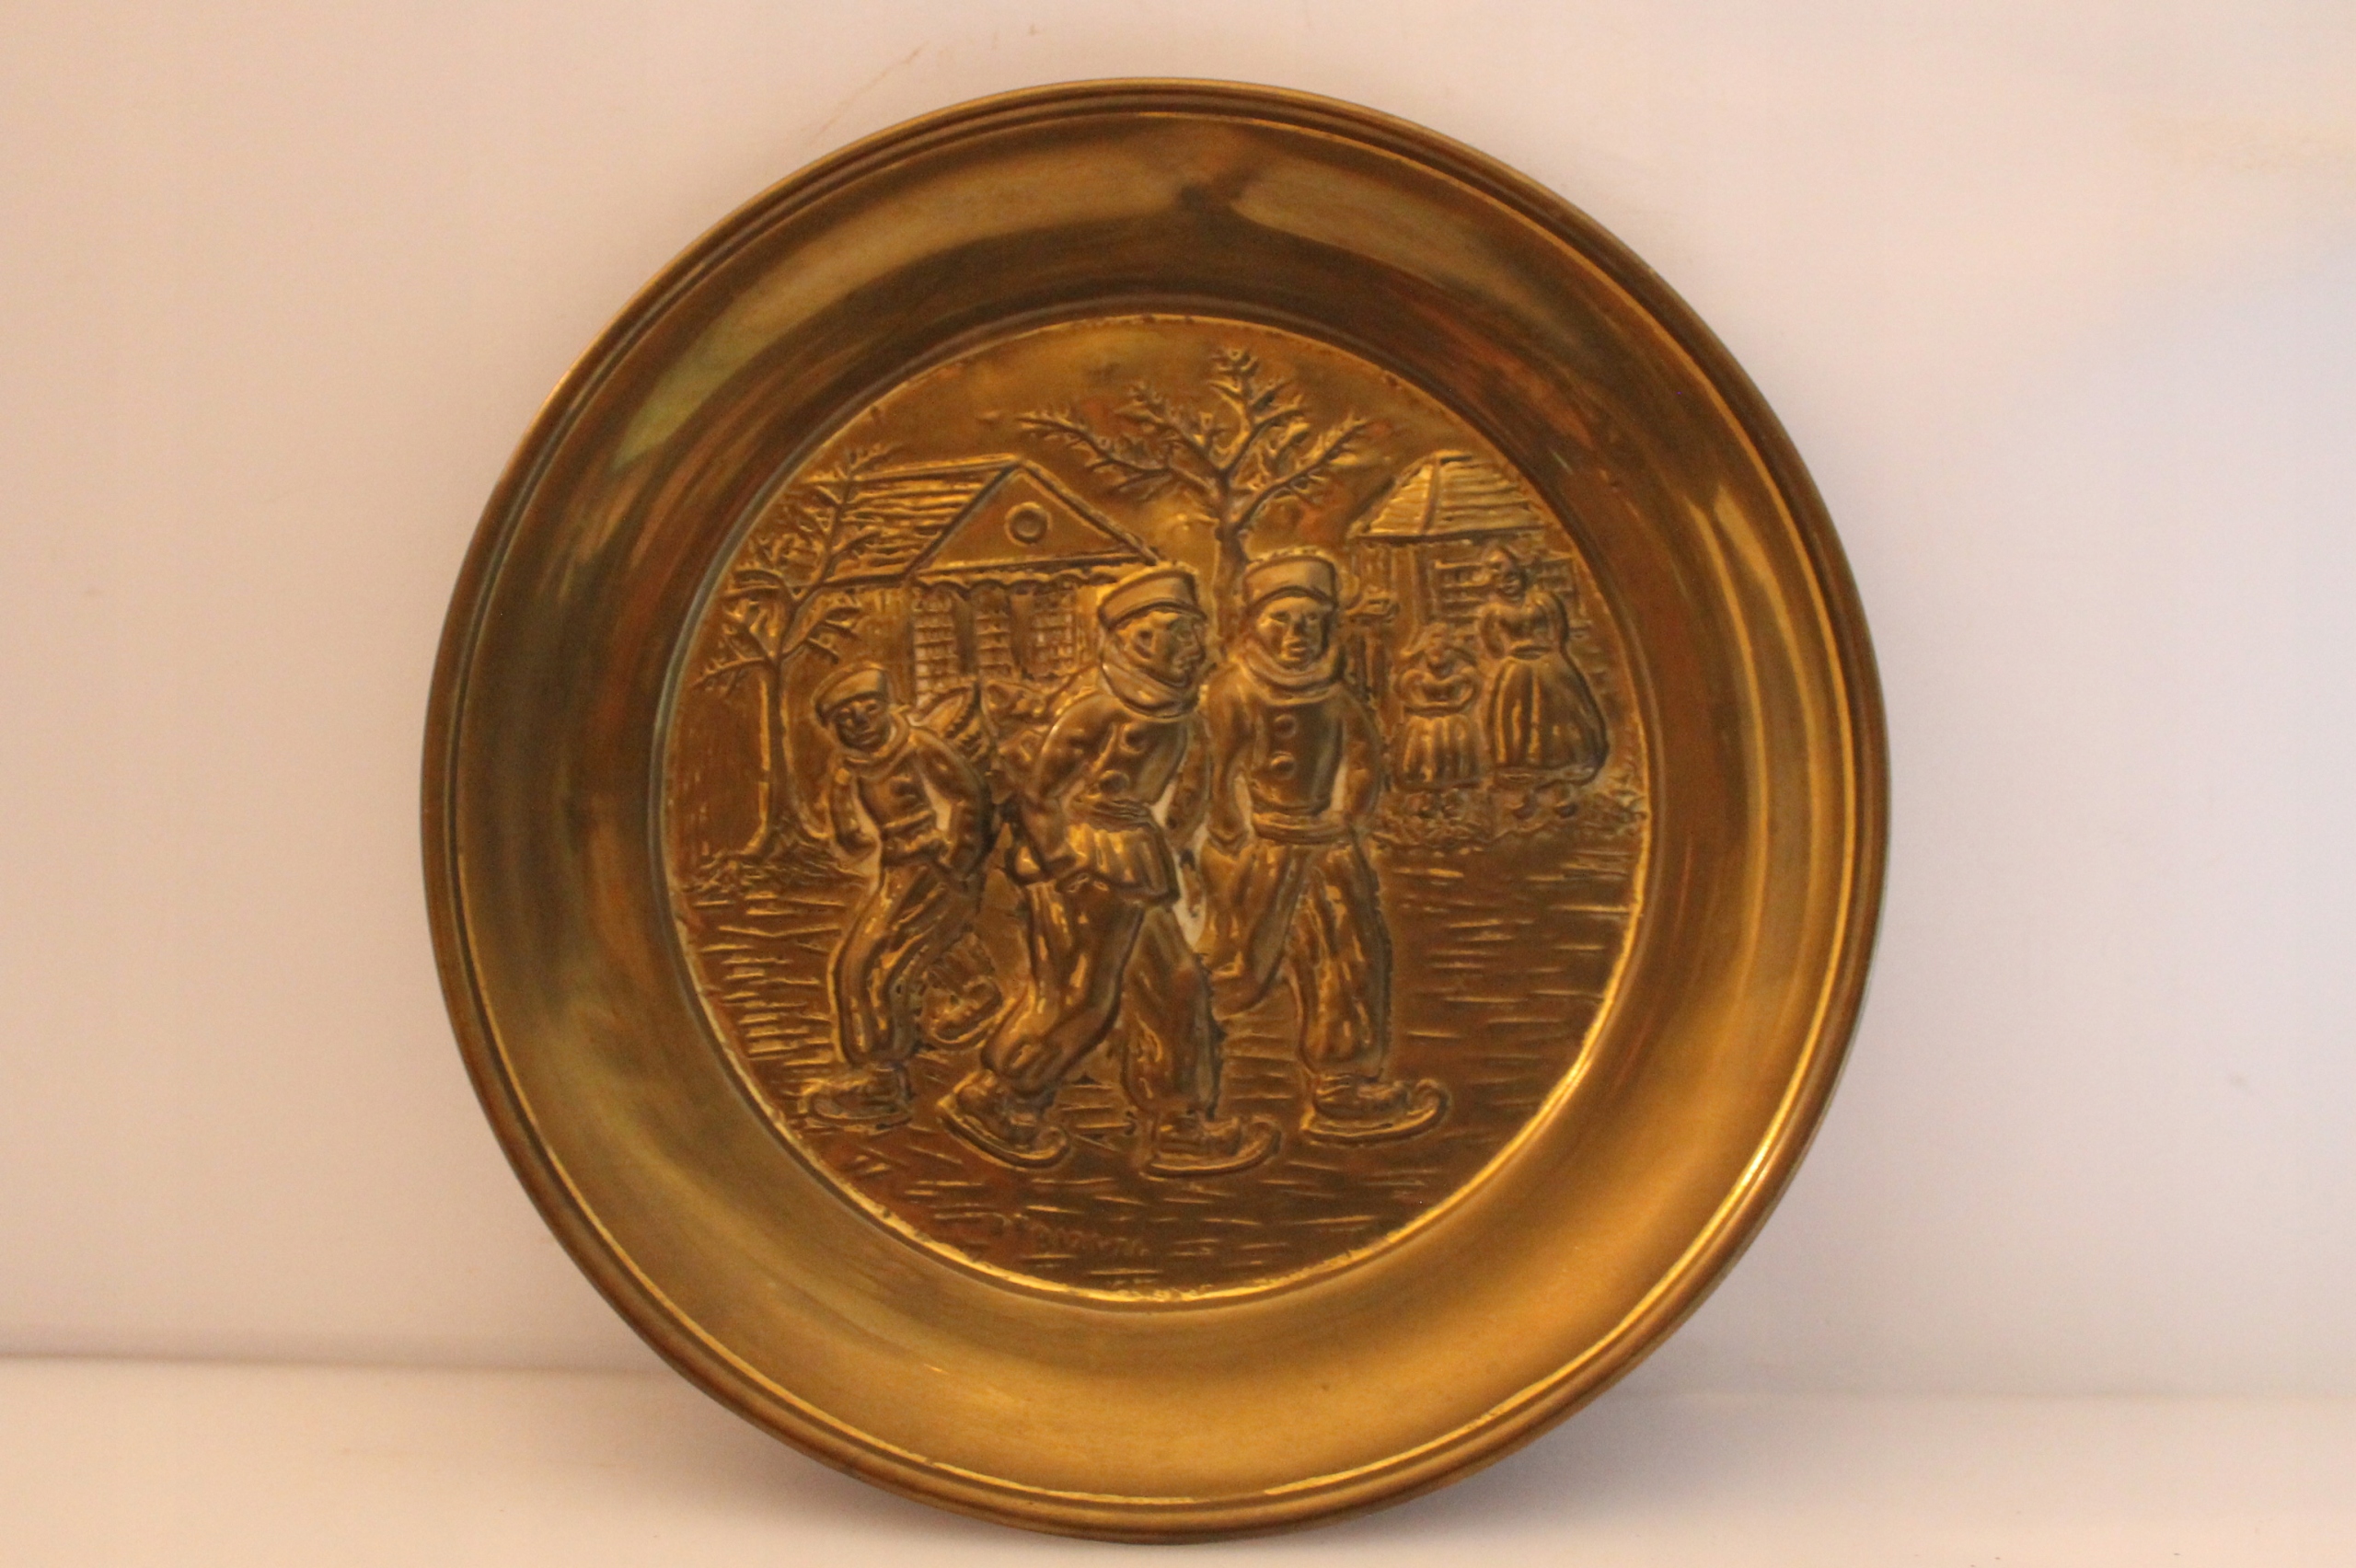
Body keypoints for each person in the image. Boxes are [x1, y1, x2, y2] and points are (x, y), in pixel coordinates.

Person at [940, 565, 1279, 1178]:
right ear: (1139, 640)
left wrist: (1177, 851)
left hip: (1135, 858)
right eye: (1179, 634)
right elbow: (1040, 794)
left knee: (1177, 984)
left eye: (1193, 633)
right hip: (1084, 859)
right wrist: (1063, 865)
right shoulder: (1095, 712)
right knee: (1082, 1000)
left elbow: (1185, 796)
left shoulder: (1181, 713)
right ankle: (1000, 1096)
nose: (1195, 647)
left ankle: (1179, 1122)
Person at [1201, 551, 1447, 1142]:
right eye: (1282, 621)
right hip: (1264, 846)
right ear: (1253, 624)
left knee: (1348, 955)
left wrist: (1350, 818)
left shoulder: (1335, 696)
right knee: (1237, 965)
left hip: (1327, 844)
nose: (1298, 635)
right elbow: (1214, 769)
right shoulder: (1235, 691)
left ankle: (1344, 1086)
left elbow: (1364, 758)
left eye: (1312, 622)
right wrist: (1227, 836)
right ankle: (1173, 1067)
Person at [801, 665, 992, 1127]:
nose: (859, 722)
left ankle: (881, 1078)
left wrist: (960, 859)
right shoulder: (850, 768)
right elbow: (848, 832)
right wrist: (844, 821)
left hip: (932, 866)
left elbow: (970, 796)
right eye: (846, 717)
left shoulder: (917, 746)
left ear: (886, 707)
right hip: (898, 868)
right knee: (897, 949)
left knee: (872, 967)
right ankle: (977, 990)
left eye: (868, 709)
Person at [1477, 546, 1607, 821]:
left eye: (1512, 576)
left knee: (1559, 724)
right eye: (1500, 579)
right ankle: (1525, 792)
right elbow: (1491, 643)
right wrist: (1514, 656)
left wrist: (1548, 655)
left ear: (1522, 574)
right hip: (1515, 671)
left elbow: (1558, 632)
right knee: (1519, 728)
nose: (1507, 584)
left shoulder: (1543, 601)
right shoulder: (1493, 611)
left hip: (1549, 667)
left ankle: (1562, 790)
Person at [1392, 622, 1484, 793]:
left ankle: (1457, 785)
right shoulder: (1416, 672)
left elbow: (1474, 686)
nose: (1439, 654)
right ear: (1424, 648)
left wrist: (1457, 698)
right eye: (1433, 648)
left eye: (1446, 649)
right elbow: (1404, 689)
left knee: (1455, 737)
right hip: (1424, 721)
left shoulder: (1462, 671)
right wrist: (1423, 703)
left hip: (1453, 720)